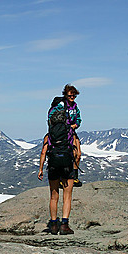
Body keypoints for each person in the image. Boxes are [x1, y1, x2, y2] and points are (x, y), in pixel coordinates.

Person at [37, 96, 76, 235]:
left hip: (53, 165)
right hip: (67, 165)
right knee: (67, 196)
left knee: (54, 196)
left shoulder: (49, 135)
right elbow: (76, 151)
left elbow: (43, 152)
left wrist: (41, 169)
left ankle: (53, 226)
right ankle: (64, 225)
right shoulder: (69, 132)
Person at [62, 84, 83, 187]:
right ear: (66, 95)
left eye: (74, 96)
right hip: (63, 133)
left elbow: (79, 118)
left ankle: (74, 177)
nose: (72, 97)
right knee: (67, 155)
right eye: (70, 95)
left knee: (78, 154)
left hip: (73, 132)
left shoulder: (75, 106)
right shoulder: (61, 105)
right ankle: (63, 177)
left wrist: (75, 125)